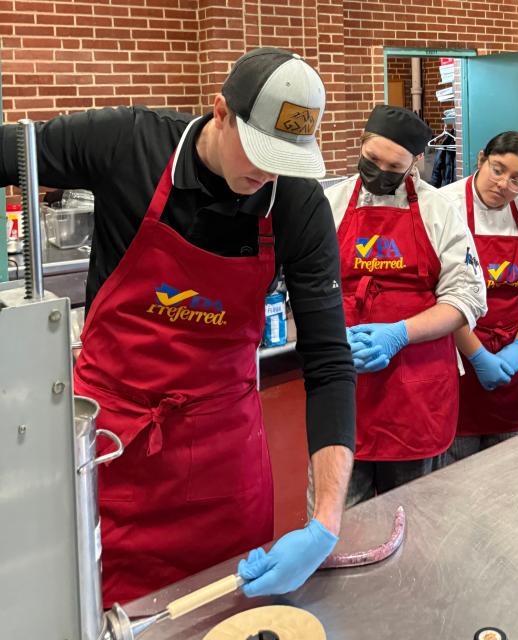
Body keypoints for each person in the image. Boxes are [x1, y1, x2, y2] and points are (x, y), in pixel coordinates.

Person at [0, 48, 355, 605]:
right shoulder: (128, 144)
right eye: (260, 151)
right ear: (221, 112)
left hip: (223, 462)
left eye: (286, 159)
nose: (268, 173)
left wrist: (326, 522)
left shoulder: (297, 204)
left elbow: (329, 362)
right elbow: (9, 153)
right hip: (107, 450)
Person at [322, 104, 487, 505]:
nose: (379, 172)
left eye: (393, 167)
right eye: (371, 160)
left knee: (414, 515)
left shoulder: (438, 210)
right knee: (339, 516)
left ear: (414, 162)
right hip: (343, 379)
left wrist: (399, 333)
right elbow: (306, 284)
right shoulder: (329, 203)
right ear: (361, 145)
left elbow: (467, 295)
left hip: (416, 387)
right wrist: (329, 332)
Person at [436, 131, 518, 464]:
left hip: (515, 368)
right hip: (457, 362)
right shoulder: (444, 206)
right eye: (497, 169)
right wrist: (477, 355)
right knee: (455, 477)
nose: (504, 184)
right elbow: (438, 292)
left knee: (513, 475)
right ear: (481, 160)